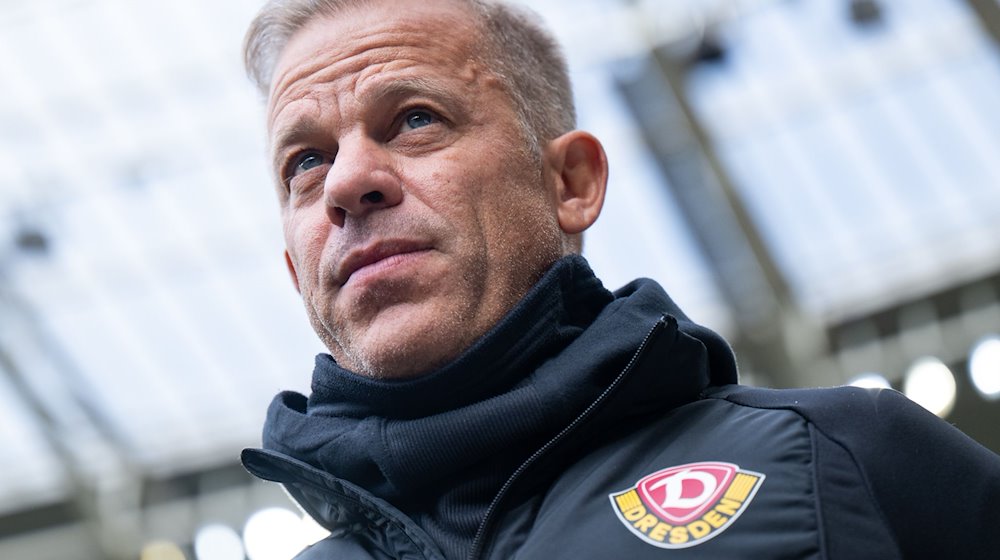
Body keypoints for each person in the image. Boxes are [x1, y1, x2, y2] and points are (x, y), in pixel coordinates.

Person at [238, 1, 1000, 558]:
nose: (347, 182)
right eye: (305, 163)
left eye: (414, 119)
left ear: (571, 182)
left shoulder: (847, 457)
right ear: (295, 272)